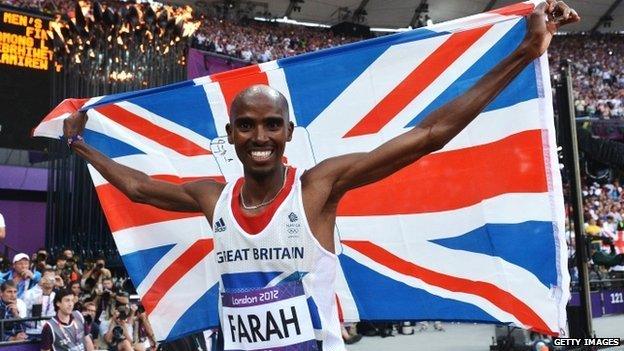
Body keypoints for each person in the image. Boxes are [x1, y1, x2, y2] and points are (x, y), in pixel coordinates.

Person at [62, 2, 579, 350]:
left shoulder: (317, 187)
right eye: (246, 125)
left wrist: (524, 53)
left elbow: (430, 134)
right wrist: (79, 143)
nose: (259, 136)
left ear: (289, 132)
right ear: (230, 133)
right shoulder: (212, 197)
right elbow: (134, 187)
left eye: (270, 125)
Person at [23, 271, 57, 338]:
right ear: (41, 278)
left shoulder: (55, 295)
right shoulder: (29, 293)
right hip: (34, 331)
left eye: (52, 278)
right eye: (47, 278)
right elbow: (26, 313)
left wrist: (61, 286)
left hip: (52, 330)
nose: (50, 280)